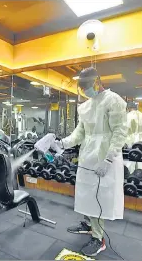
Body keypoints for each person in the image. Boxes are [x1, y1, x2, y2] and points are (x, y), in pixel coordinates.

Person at [55, 67, 128, 257]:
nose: (86, 90)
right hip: (87, 155)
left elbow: (120, 132)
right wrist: (62, 143)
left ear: (97, 82)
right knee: (86, 193)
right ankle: (88, 225)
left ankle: (98, 238)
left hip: (105, 156)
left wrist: (109, 159)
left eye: (88, 86)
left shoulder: (114, 101)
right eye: (83, 87)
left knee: (99, 197)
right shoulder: (85, 106)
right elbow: (80, 133)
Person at [125, 101, 142, 173]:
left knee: (132, 158)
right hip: (140, 139)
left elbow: (126, 129)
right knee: (140, 158)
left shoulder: (128, 115)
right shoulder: (141, 114)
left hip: (131, 140)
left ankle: (132, 174)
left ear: (129, 108)